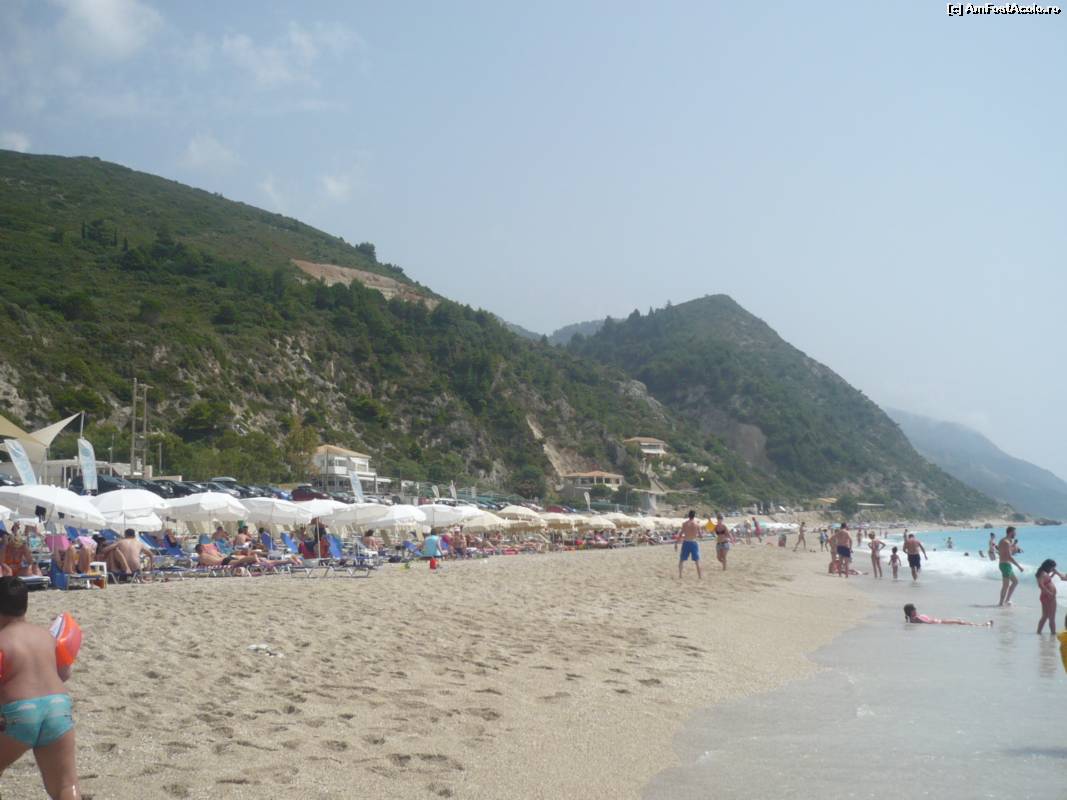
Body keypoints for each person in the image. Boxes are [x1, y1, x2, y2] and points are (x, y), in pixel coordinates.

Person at [0, 576, 81, 799]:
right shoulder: (46, 635)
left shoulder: (2, 640)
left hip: (20, 713)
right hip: (58, 708)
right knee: (65, 785)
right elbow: (64, 674)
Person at [997, 527, 1024, 607]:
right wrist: (1019, 566)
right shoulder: (1006, 542)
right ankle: (1000, 603)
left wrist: (1015, 548)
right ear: (1011, 532)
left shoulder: (1004, 541)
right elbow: (1009, 556)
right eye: (1014, 532)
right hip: (1005, 565)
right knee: (1005, 585)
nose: (1015, 534)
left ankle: (1007, 600)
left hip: (1006, 564)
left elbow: (1003, 552)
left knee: (1015, 581)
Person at [903, 603, 992, 627]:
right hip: (939, 622)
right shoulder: (916, 618)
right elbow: (927, 623)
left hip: (939, 621)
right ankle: (982, 625)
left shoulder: (914, 618)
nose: (916, 610)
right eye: (914, 609)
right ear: (911, 611)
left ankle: (980, 625)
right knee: (959, 622)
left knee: (959, 622)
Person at [1036, 559, 1063, 635]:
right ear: (1048, 566)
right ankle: (1053, 633)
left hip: (1046, 596)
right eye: (1052, 568)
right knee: (1051, 617)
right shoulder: (1042, 573)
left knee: (1045, 616)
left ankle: (1039, 632)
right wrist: (1049, 593)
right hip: (1048, 597)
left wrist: (1053, 574)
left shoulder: (1043, 573)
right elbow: (1041, 585)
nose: (1053, 569)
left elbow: (1046, 580)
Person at [675, 510, 702, 579]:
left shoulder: (684, 524)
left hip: (686, 542)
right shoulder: (697, 524)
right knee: (697, 561)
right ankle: (699, 576)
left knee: (681, 560)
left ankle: (680, 575)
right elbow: (701, 536)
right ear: (694, 516)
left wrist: (676, 543)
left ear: (688, 515)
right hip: (693, 542)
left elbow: (680, 534)